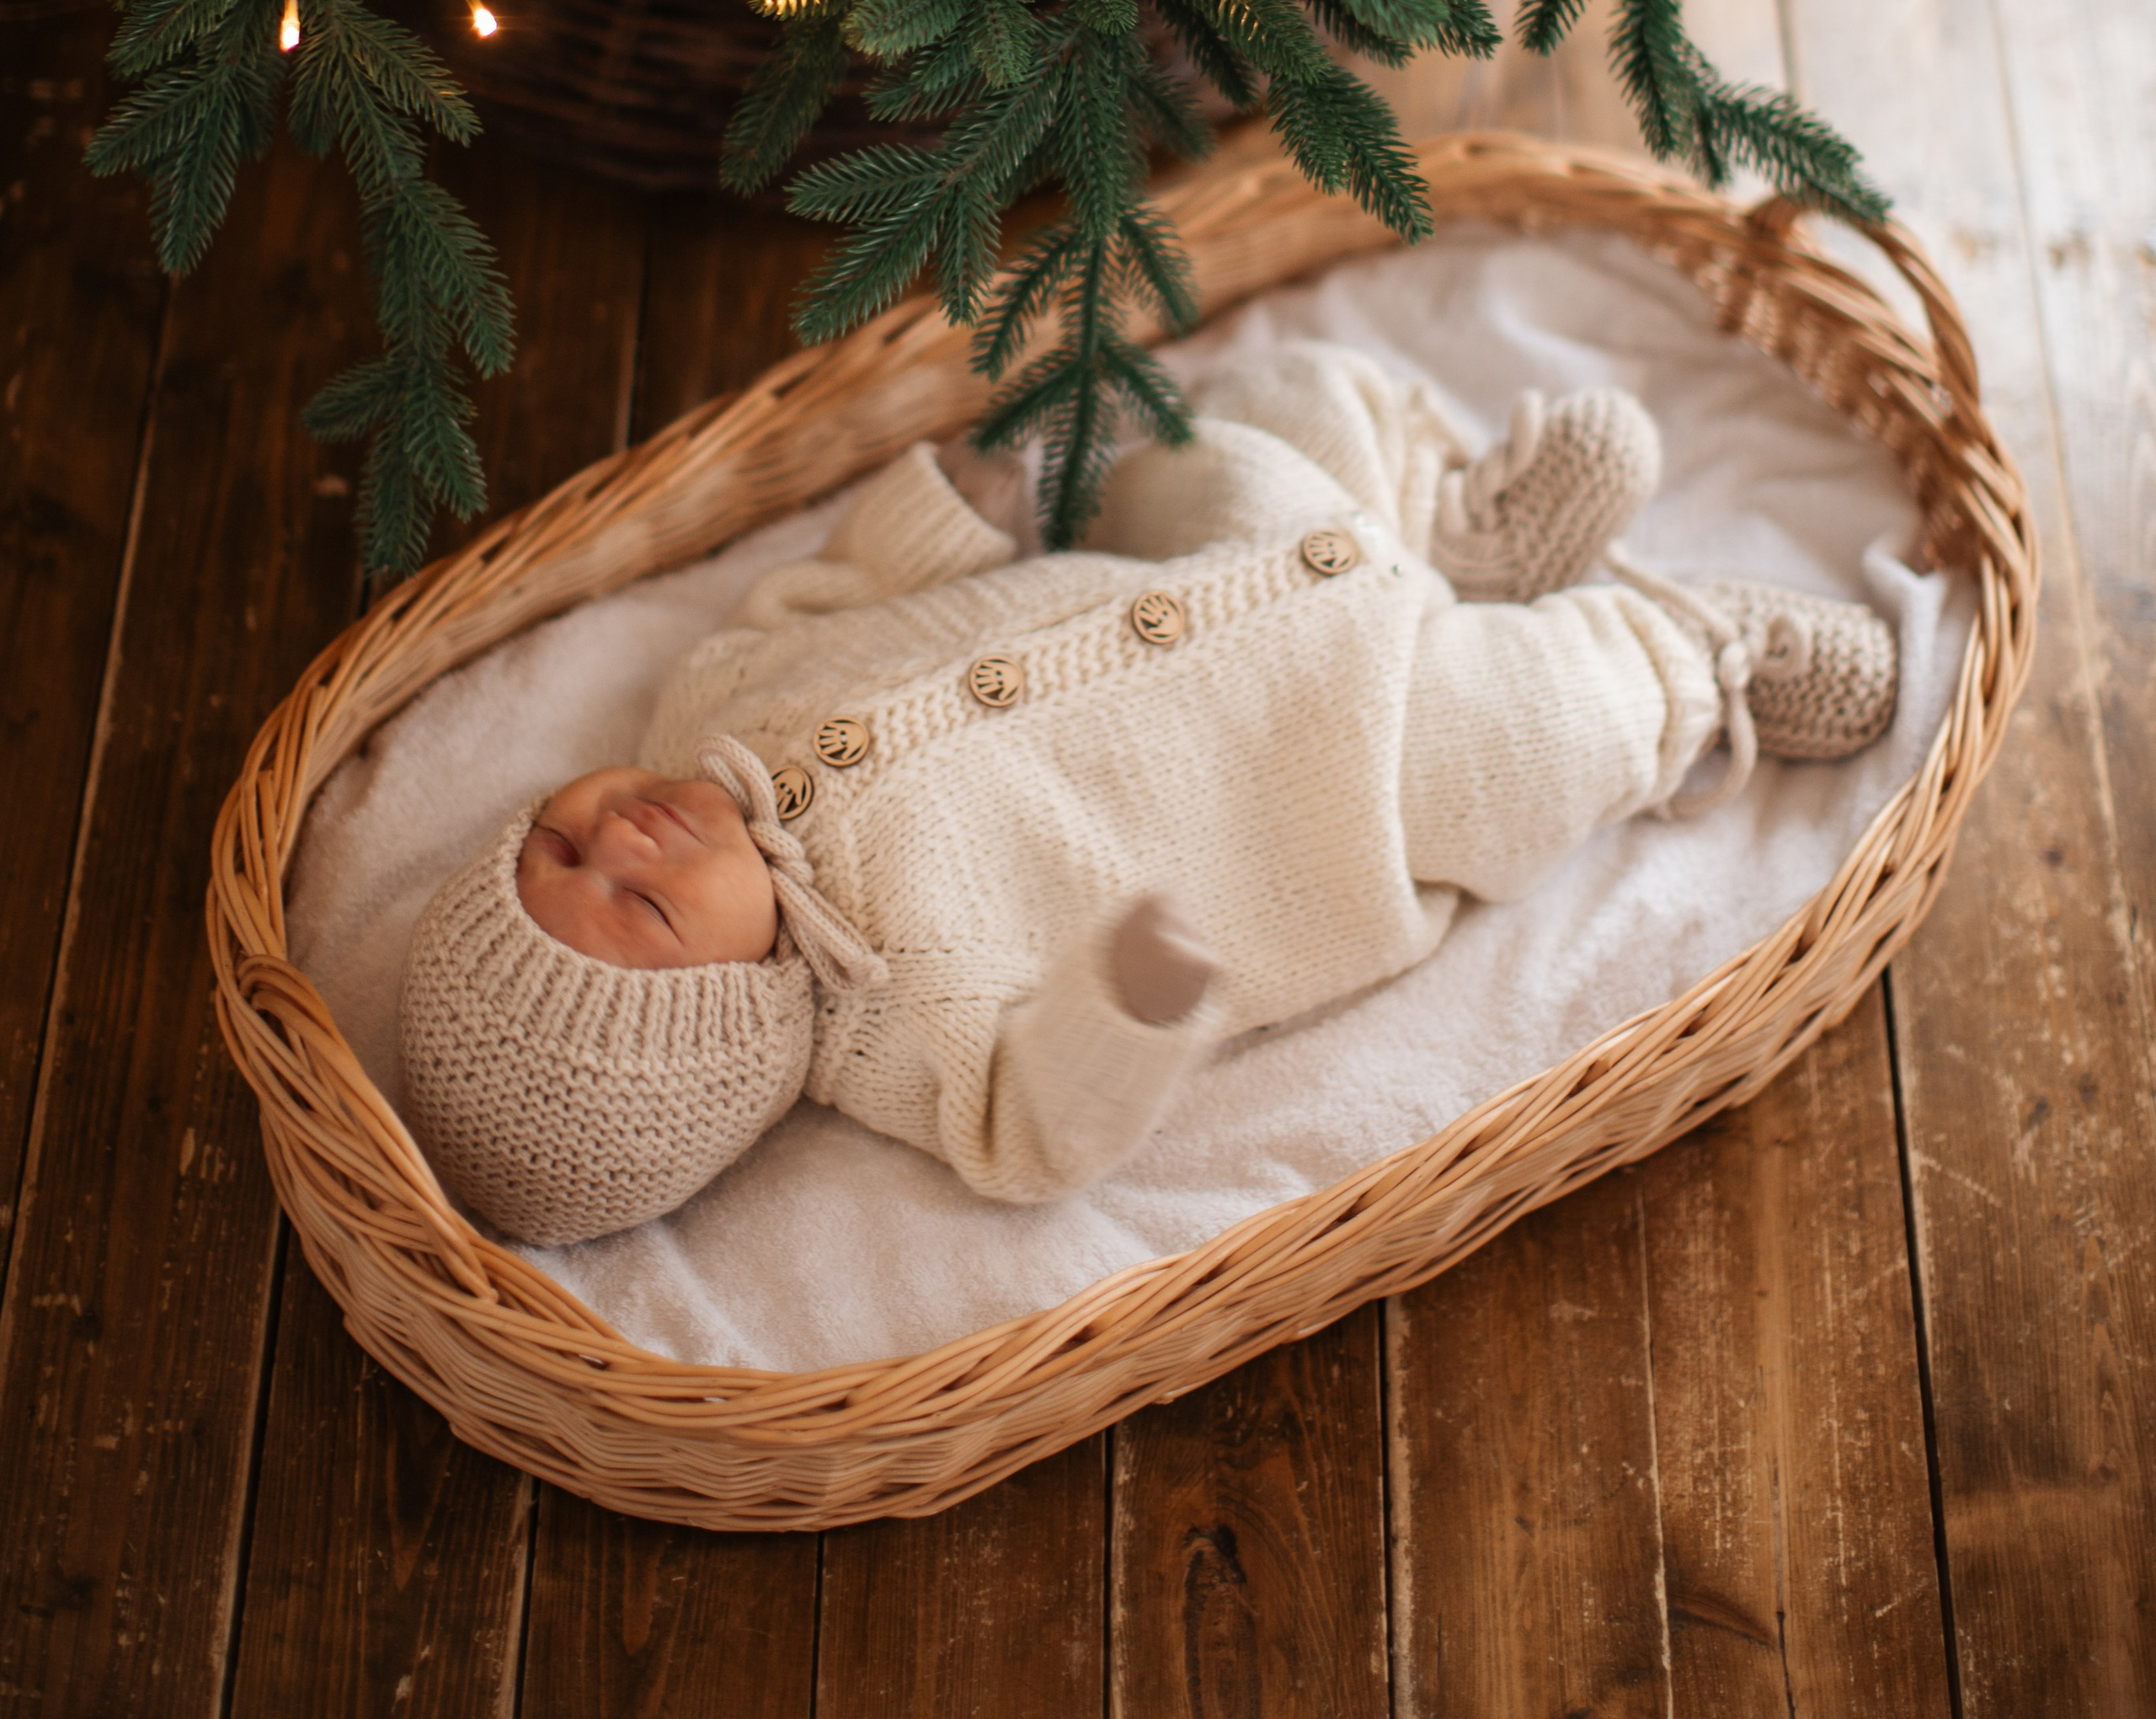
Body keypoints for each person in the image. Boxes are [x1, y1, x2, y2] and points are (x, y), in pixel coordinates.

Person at [399, 343, 1897, 1247]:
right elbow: (1039, 1128)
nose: (616, 835)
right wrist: (1124, 998)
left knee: (1258, 412)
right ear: (721, 1031)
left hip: (1213, 559)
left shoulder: (706, 706)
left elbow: (832, 590)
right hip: (1344, 756)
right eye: (644, 904)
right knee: (1523, 742)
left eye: (556, 837)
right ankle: (1694, 656)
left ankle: (1459, 534)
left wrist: (966, 500)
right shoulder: (894, 1036)